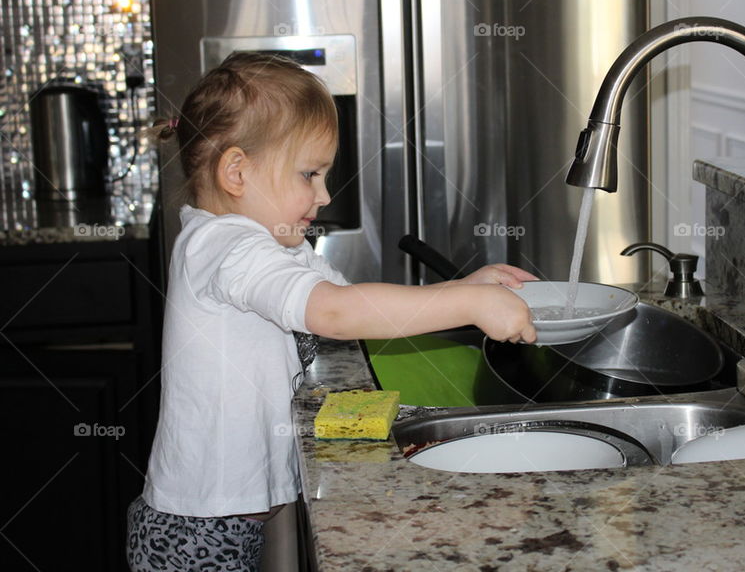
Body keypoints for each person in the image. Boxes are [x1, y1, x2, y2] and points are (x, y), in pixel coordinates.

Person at [126, 52, 537, 571]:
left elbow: (357, 303)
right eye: (309, 174)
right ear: (236, 171)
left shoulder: (274, 244)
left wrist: (463, 288)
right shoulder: (224, 245)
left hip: (226, 521)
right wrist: (471, 304)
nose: (323, 195)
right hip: (195, 532)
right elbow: (333, 314)